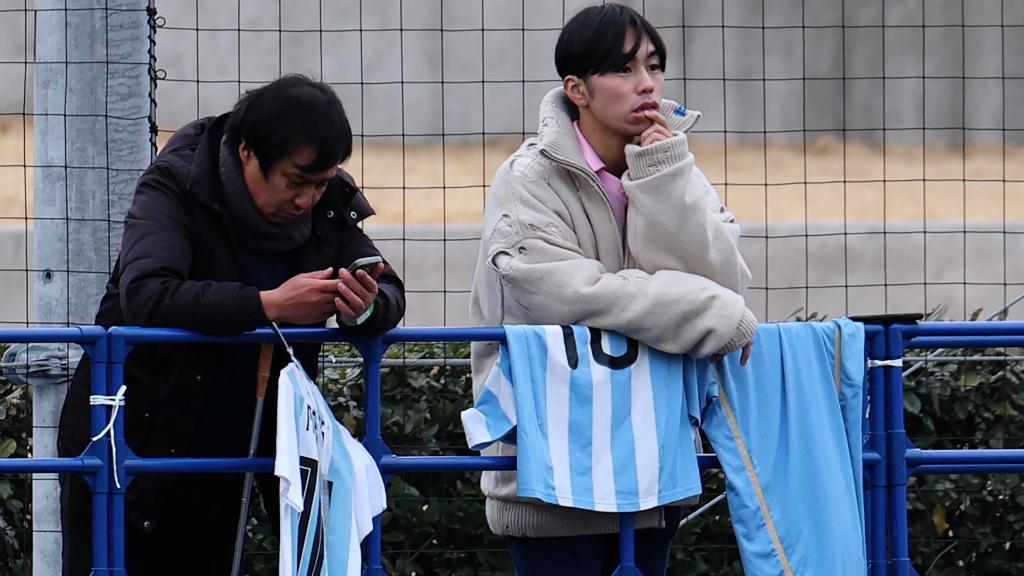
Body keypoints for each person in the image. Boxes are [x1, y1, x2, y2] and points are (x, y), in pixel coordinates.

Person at [57, 74, 405, 575]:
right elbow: (147, 295)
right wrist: (268, 305)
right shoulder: (175, 183)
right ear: (246, 152)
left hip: (242, 450)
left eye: (321, 182)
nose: (307, 199)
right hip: (129, 447)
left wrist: (365, 305)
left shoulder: (328, 202)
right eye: (296, 181)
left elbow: (386, 287)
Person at [469, 5, 756, 575]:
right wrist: (704, 311)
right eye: (622, 70)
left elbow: (725, 279)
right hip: (551, 480)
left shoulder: (667, 160)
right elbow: (565, 294)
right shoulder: (527, 178)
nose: (646, 84)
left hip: (656, 467)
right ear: (576, 88)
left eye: (654, 66)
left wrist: (661, 173)